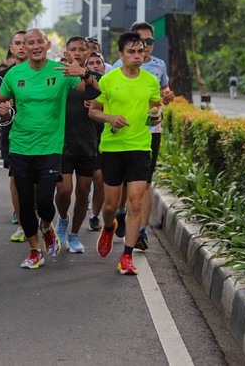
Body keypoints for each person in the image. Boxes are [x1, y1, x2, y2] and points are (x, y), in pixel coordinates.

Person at [0, 28, 98, 269]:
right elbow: (0, 100)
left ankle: (47, 225)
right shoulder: (14, 74)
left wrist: (85, 74)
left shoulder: (61, 71)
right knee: (26, 203)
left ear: (48, 45)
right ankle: (34, 250)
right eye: (30, 42)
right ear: (24, 48)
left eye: (40, 41)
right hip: (20, 145)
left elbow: (94, 91)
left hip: (50, 146)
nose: (36, 45)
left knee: (45, 201)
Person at [89, 31, 168, 275]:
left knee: (135, 202)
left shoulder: (150, 81)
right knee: (110, 206)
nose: (137, 55)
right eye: (131, 51)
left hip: (140, 147)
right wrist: (109, 117)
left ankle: (126, 256)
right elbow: (93, 111)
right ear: (121, 55)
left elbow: (156, 106)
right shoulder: (109, 80)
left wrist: (158, 114)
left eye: (141, 50)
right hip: (113, 148)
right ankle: (109, 226)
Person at [111, 21, 173, 250]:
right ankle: (119, 211)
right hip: (125, 132)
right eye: (139, 41)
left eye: (149, 41)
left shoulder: (159, 66)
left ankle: (142, 231)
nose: (144, 46)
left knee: (146, 183)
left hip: (150, 132)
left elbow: (163, 92)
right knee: (124, 184)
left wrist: (164, 103)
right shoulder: (118, 66)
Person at [54, 36, 102, 253]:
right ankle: (63, 218)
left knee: (83, 192)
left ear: (88, 53)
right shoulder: (58, 75)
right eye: (72, 49)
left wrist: (87, 77)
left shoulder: (96, 78)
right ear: (66, 52)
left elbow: (105, 95)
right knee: (64, 191)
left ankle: (74, 234)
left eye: (81, 49)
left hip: (88, 143)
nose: (77, 52)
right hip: (61, 143)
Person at [0, 30, 27, 243]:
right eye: (18, 43)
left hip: (41, 135)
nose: (22, 47)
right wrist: (2, 112)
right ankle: (23, 220)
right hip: (12, 133)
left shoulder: (46, 72)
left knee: (37, 184)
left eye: (26, 43)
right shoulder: (4, 75)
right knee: (15, 178)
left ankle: (38, 218)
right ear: (12, 47)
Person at [85, 52, 108, 232]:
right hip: (82, 138)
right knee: (81, 185)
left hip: (103, 138)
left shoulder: (110, 84)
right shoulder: (80, 84)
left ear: (103, 66)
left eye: (98, 62)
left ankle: (94, 215)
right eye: (91, 63)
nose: (95, 66)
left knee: (99, 179)